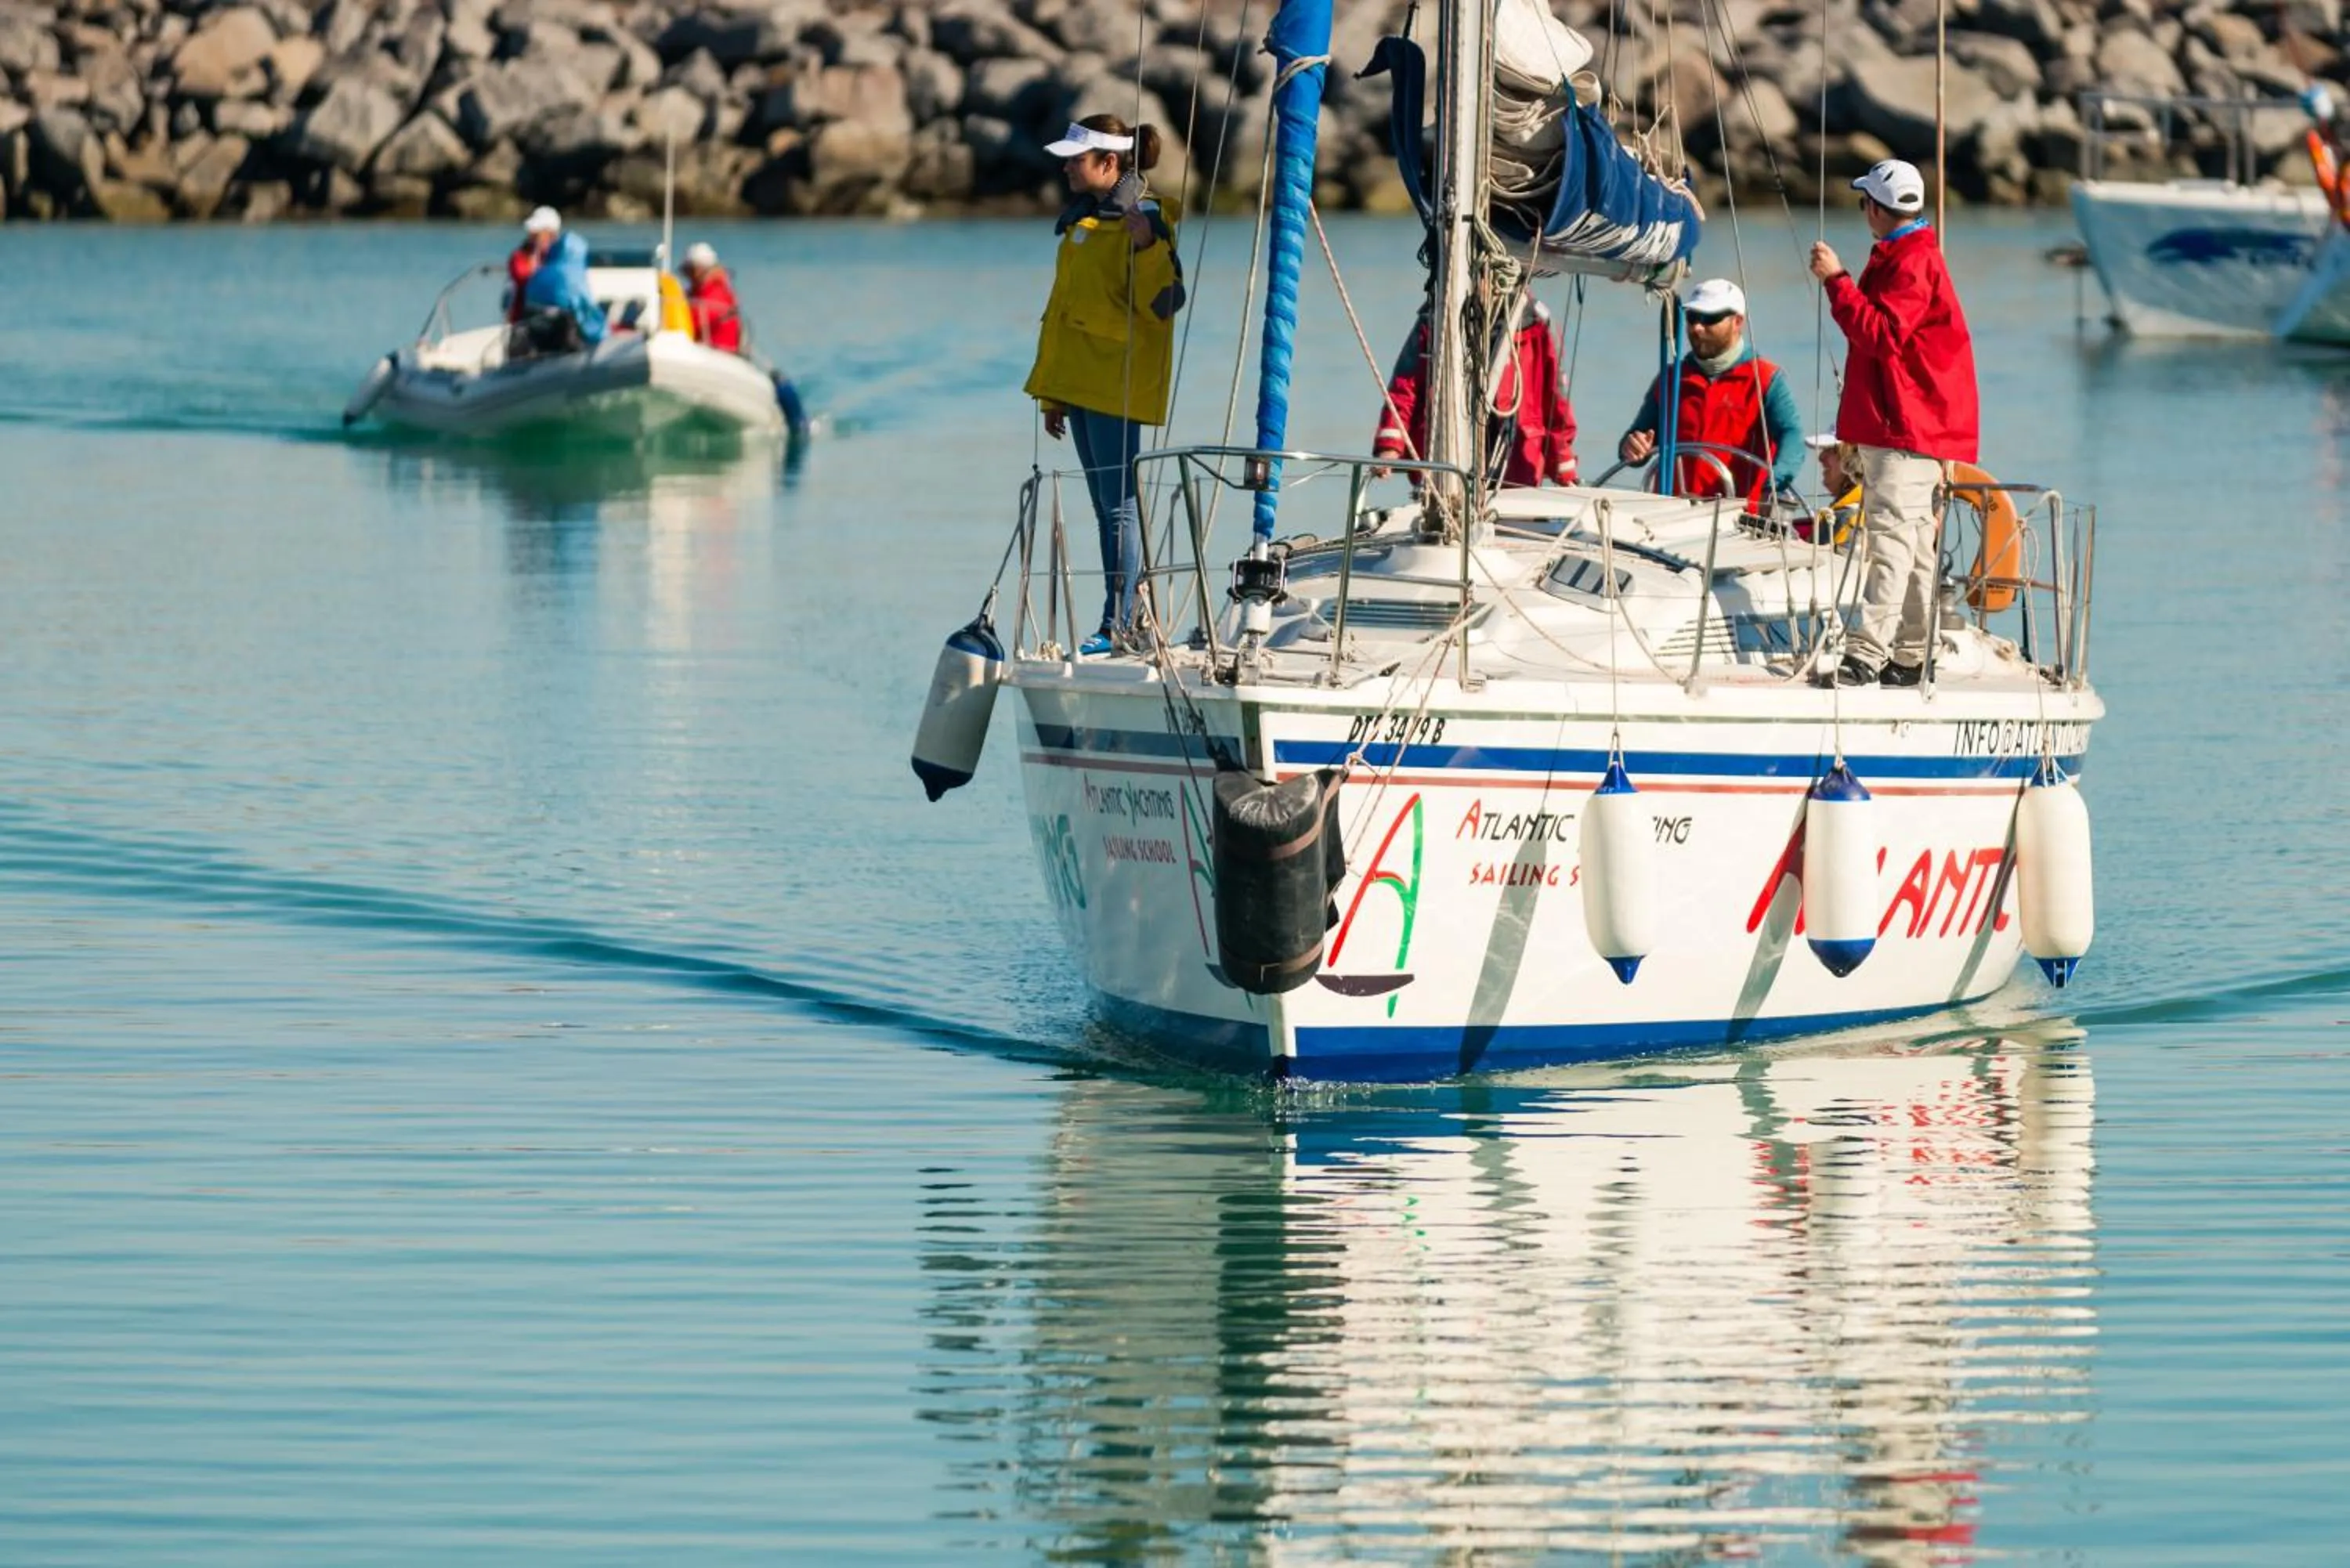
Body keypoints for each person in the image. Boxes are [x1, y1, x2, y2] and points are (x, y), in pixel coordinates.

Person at [1809, 158, 1979, 688]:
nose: (1863, 211)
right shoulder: (1910, 256)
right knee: (1914, 546)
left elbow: (1882, 336)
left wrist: (1836, 281)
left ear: (1878, 209)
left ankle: (1868, 654)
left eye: (1864, 202)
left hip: (1905, 427)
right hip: (1914, 426)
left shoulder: (1910, 262)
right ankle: (1909, 654)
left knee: (1890, 542)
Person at [1023, 113, 1185, 658]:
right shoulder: (1083, 221)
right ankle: (1122, 619)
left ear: (1109, 163)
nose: (1067, 168)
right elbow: (1063, 311)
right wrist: (1053, 394)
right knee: (1104, 507)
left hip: (1117, 381)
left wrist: (1147, 247)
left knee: (1117, 507)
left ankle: (1122, 622)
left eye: (1076, 159)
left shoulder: (1147, 219)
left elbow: (1163, 305)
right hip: (1081, 383)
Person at [1617, 277, 1803, 515]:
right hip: (1669, 516)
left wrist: (1776, 481)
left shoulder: (1766, 379)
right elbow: (1637, 437)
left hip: (1739, 522)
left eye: (1710, 319)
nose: (1697, 327)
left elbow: (1792, 435)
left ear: (1738, 322)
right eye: (1692, 317)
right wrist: (1632, 447)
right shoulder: (1671, 379)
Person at [1371, 298, 1578, 486]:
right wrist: (1389, 447)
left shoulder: (1537, 321)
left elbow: (1556, 401)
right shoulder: (1437, 316)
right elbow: (1405, 386)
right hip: (1443, 470)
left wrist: (1563, 465)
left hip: (1517, 468)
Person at [518, 219, 608, 352]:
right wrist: (605, 334)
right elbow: (587, 313)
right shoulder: (574, 278)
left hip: (536, 340)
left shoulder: (539, 274)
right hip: (563, 343)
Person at [682, 241, 742, 353]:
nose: (688, 277)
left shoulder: (716, 291)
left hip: (720, 352)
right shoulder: (696, 292)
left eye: (691, 271)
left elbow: (693, 319)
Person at [507, 206, 561, 325]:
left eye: (537, 233)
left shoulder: (561, 258)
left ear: (551, 234)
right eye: (532, 233)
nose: (532, 236)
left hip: (554, 323)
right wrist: (536, 256)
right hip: (522, 322)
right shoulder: (519, 257)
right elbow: (523, 278)